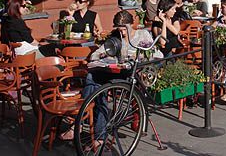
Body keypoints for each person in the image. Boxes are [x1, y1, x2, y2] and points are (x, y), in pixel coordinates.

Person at [61, 10, 160, 143]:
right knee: (93, 80)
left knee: (98, 88)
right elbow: (95, 54)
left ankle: (80, 124)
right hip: (112, 72)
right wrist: (104, 55)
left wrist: (139, 56)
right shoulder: (115, 37)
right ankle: (89, 128)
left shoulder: (142, 35)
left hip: (130, 74)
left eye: (125, 29)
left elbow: (158, 55)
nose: (122, 32)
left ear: (132, 24)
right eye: (119, 29)